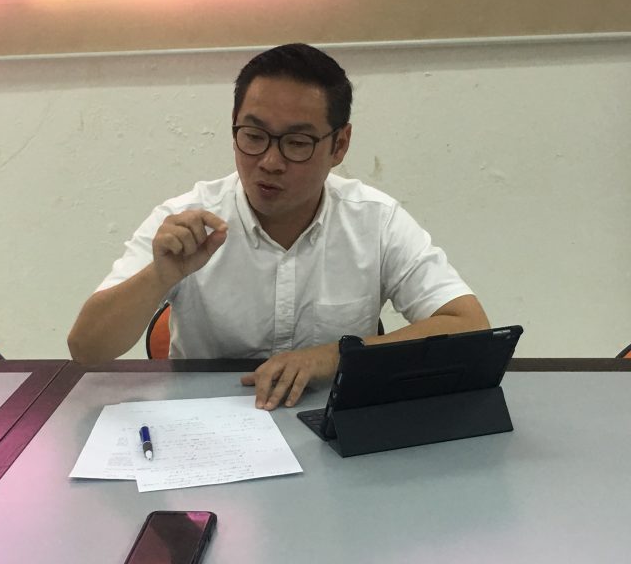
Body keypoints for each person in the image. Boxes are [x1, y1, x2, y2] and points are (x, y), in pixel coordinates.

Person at [68, 43, 489, 410]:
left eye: (297, 143)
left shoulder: (375, 220)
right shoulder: (187, 219)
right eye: (254, 136)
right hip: (207, 424)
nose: (270, 162)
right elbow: (87, 349)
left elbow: (469, 326)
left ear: (339, 145)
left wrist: (335, 356)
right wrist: (160, 276)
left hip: (330, 425)